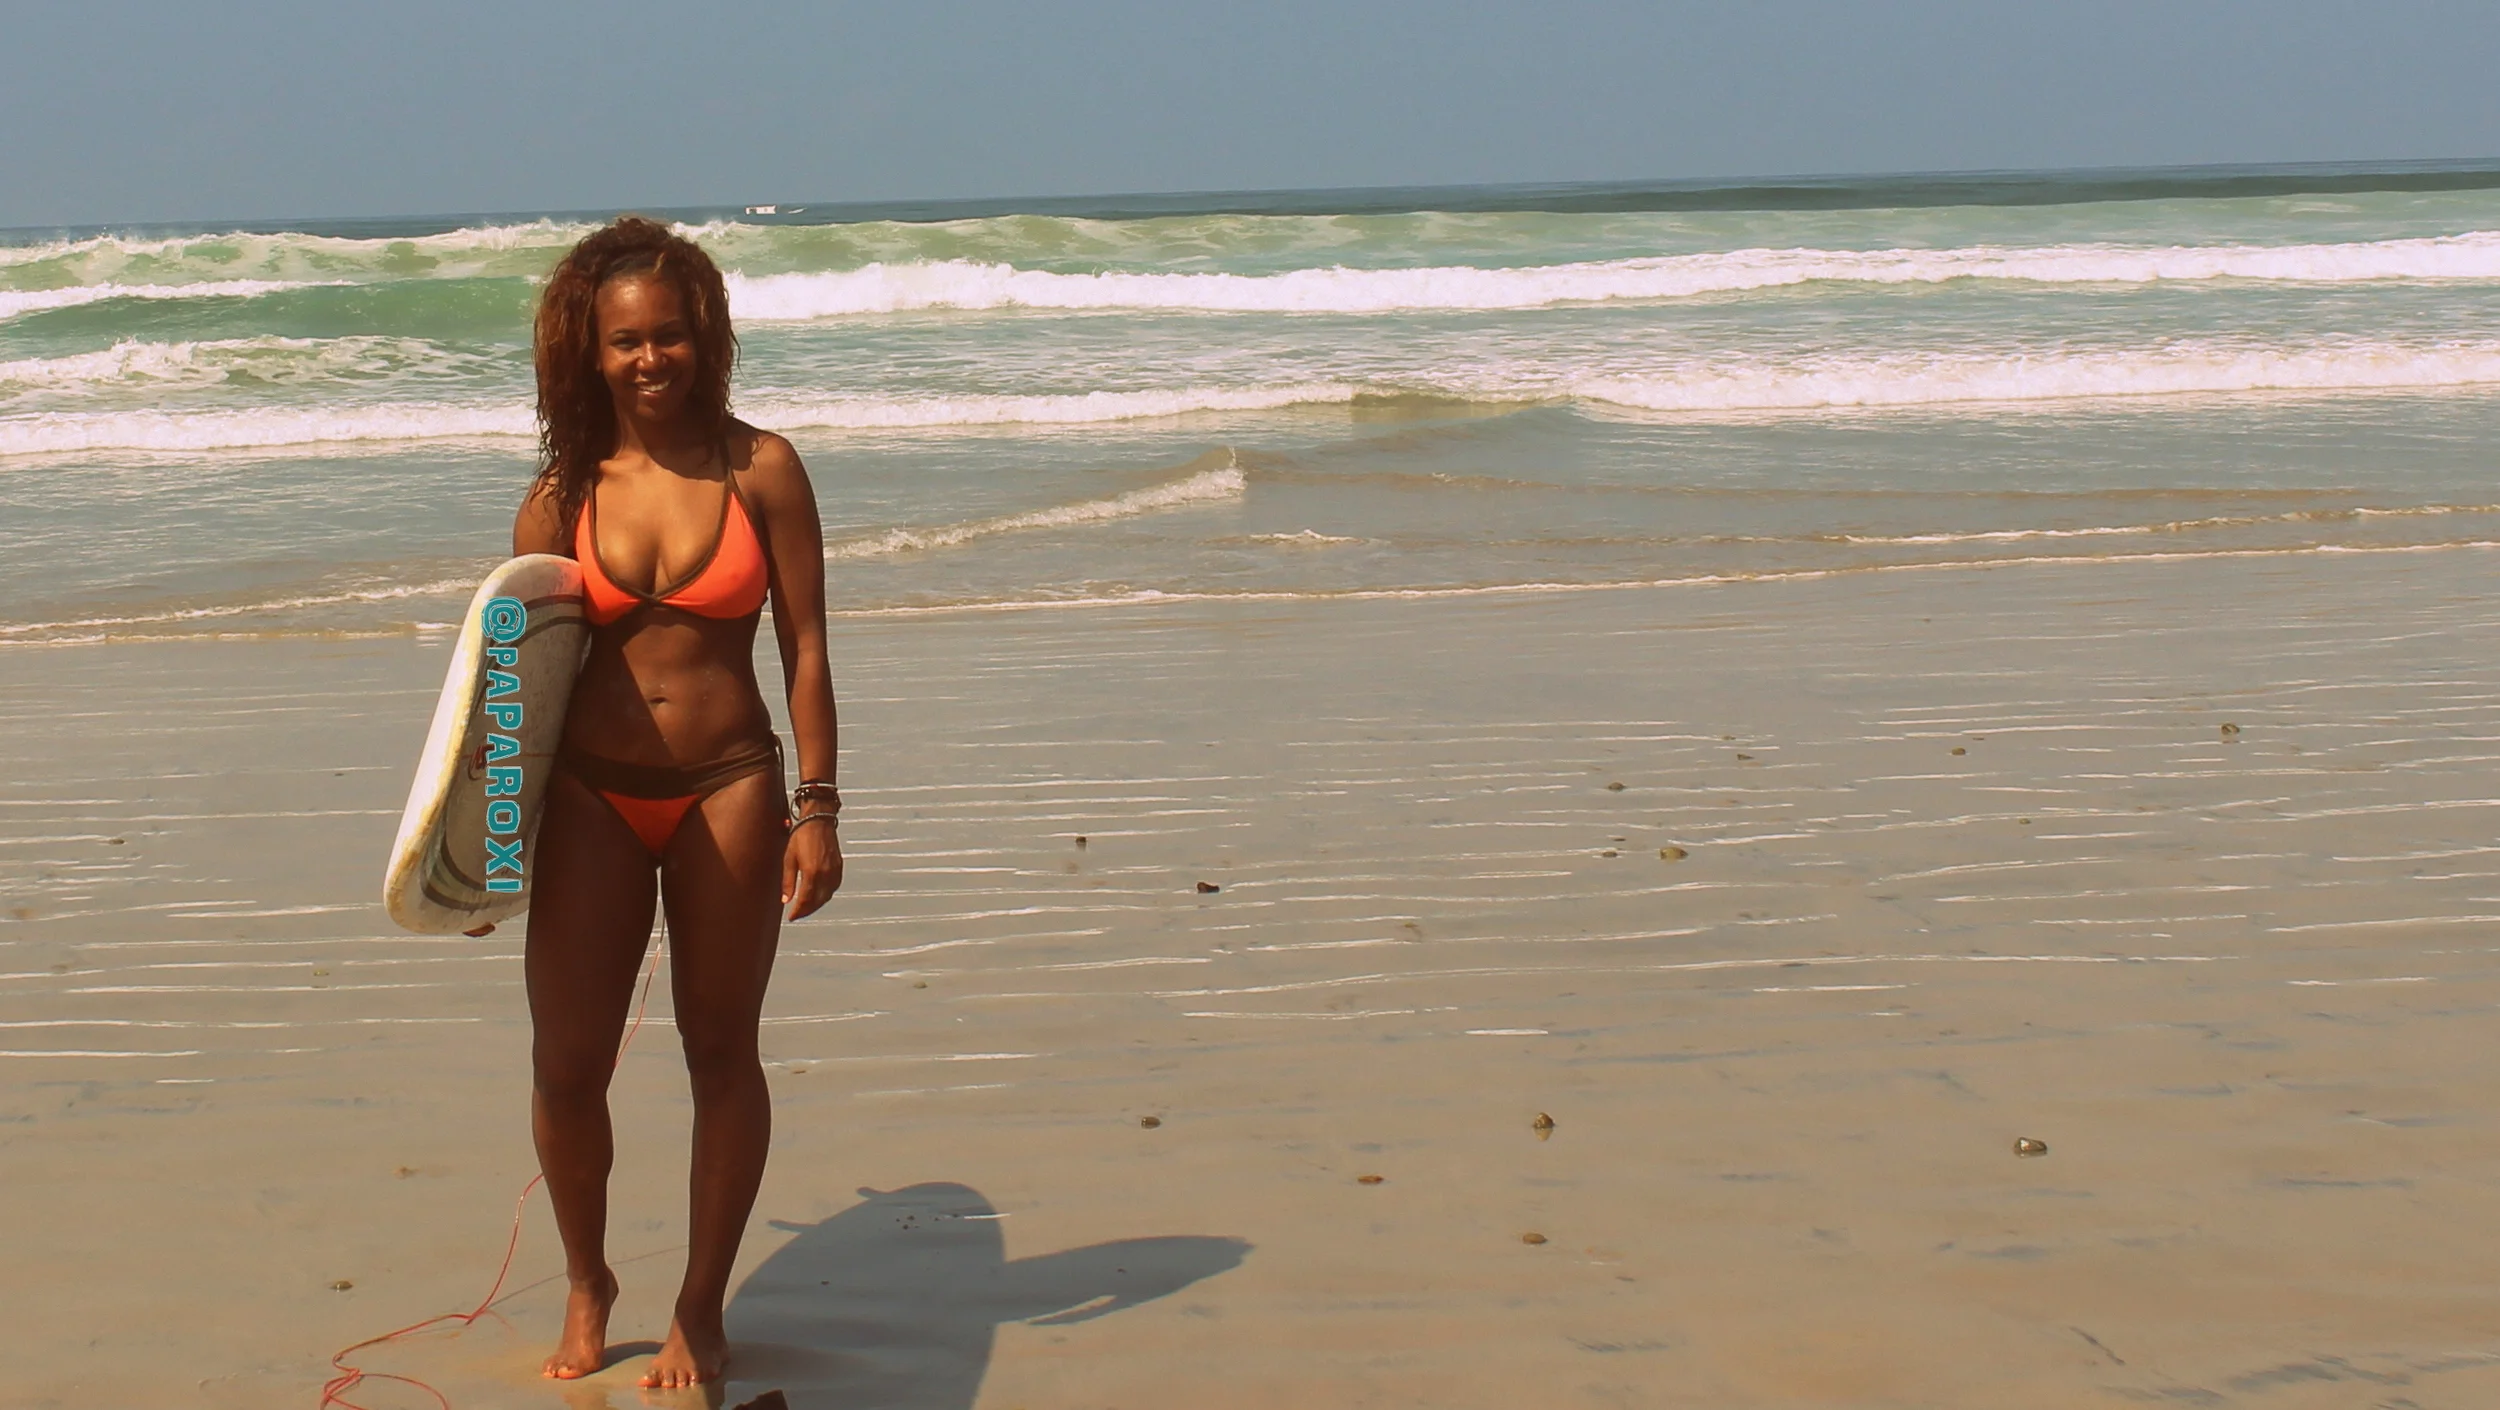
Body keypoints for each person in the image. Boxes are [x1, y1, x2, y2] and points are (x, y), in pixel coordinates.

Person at [509, 216, 843, 1388]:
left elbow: (806, 645)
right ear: (589, 352)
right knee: (566, 1065)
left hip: (729, 788)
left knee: (720, 1051)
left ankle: (701, 1303)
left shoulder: (763, 470)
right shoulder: (558, 499)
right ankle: (587, 1280)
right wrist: (484, 850)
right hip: (589, 800)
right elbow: (512, 692)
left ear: (705, 336)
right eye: (625, 341)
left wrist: (818, 805)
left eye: (669, 335)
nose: (650, 359)